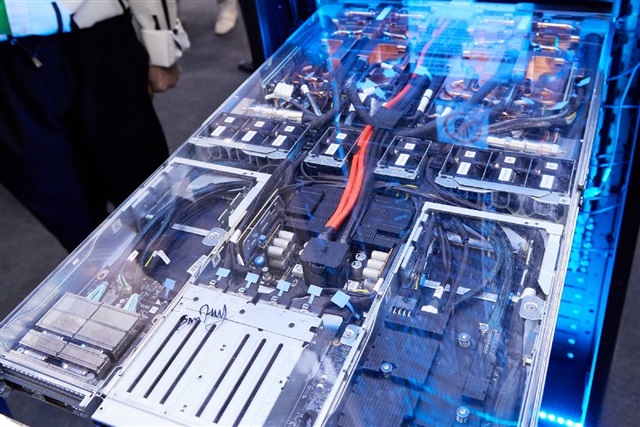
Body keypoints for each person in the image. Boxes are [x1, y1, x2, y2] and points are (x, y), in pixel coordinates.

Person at [0, 0, 190, 251]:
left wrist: (161, 45)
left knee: (152, 195)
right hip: (7, 68)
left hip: (95, 33)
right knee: (71, 218)